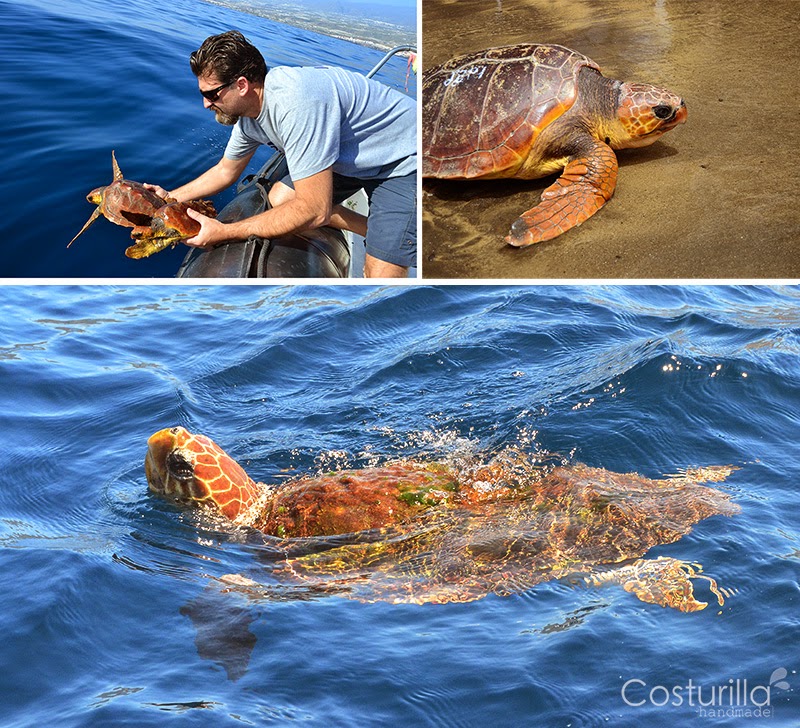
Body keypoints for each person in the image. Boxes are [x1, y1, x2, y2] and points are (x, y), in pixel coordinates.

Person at [148, 30, 417, 277]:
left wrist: (225, 232)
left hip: (403, 161)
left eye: (213, 94)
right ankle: (375, 230)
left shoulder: (296, 104)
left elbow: (314, 212)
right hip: (354, 159)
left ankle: (391, 240)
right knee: (280, 197)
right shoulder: (249, 117)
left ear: (241, 85)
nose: (206, 103)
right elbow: (225, 171)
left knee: (379, 274)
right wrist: (168, 198)